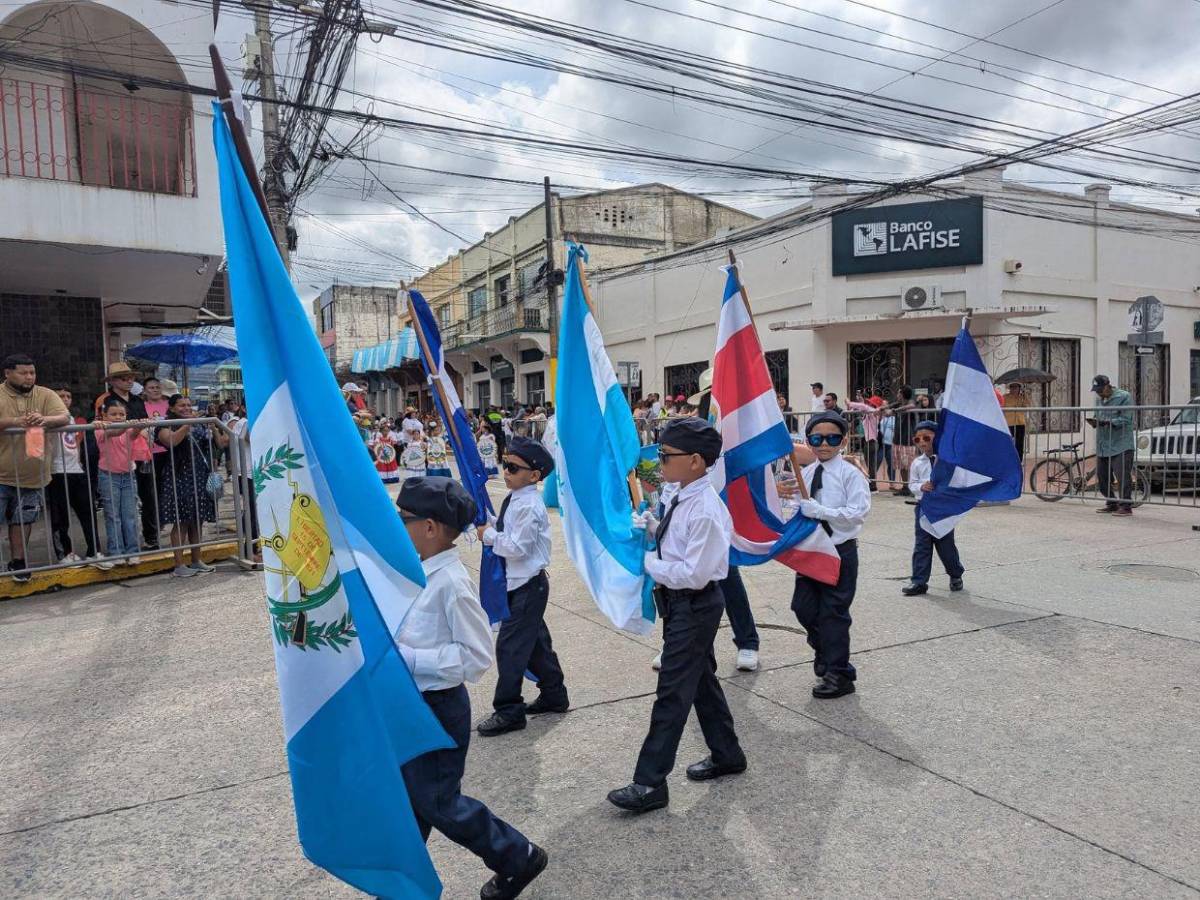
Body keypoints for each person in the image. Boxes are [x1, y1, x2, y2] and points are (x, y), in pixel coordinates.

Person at [395, 477, 549, 899]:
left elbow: (476, 658)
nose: (396, 526)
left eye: (402, 519)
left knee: (439, 802)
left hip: (439, 710)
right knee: (410, 803)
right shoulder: (414, 573)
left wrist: (409, 660)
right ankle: (400, 886)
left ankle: (518, 856)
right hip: (411, 707)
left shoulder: (451, 584)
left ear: (429, 527)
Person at [609, 418, 746, 814]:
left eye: (667, 456)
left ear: (697, 462)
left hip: (695, 601)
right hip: (681, 603)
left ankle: (650, 782)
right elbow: (677, 541)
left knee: (673, 691)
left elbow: (694, 571)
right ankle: (727, 754)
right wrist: (653, 527)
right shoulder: (681, 494)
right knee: (700, 681)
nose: (660, 461)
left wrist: (650, 563)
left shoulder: (704, 508)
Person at [476, 437, 569, 737]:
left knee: (510, 648)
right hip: (519, 585)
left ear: (534, 476)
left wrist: (488, 536)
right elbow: (507, 528)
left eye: (513, 468)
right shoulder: (516, 498)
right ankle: (555, 694)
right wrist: (487, 521)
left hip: (528, 585)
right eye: (505, 464)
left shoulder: (529, 504)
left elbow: (517, 547)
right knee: (536, 646)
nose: (506, 472)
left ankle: (509, 709)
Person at [788, 412, 871, 699]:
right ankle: (825, 648)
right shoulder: (807, 473)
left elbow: (857, 514)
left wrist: (822, 512)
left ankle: (839, 672)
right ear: (808, 441)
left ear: (843, 440)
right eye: (817, 438)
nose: (824, 443)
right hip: (811, 550)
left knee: (833, 612)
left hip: (839, 550)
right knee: (803, 607)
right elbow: (796, 507)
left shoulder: (850, 474)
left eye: (832, 438)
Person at [0, 354, 71, 581]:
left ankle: (18, 562)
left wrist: (44, 419)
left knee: (24, 520)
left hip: (33, 476)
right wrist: (14, 422)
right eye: (23, 372)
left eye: (32, 372)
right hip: (1, 475)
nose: (29, 377)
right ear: (8, 373)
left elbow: (64, 416)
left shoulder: (45, 394)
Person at [155, 394, 228, 578]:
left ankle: (197, 560)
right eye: (181, 406)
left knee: (197, 519)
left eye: (188, 405)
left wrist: (213, 427)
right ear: (171, 408)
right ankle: (179, 565)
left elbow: (219, 443)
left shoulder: (200, 423)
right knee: (182, 521)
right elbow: (170, 441)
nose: (186, 408)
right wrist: (188, 424)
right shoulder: (165, 424)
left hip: (199, 475)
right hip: (179, 476)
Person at [94, 361, 160, 549]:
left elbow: (143, 423)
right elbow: (102, 428)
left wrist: (145, 432)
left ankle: (150, 536)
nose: (129, 381)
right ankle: (119, 545)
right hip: (116, 457)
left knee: (147, 495)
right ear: (113, 381)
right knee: (116, 509)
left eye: (131, 377)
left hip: (141, 451)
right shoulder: (104, 400)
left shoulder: (138, 400)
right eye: (124, 378)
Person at [901, 421, 964, 596]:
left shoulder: (948, 460)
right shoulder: (917, 463)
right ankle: (919, 581)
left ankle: (955, 574)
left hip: (943, 509)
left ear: (937, 438)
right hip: (923, 508)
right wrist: (921, 486)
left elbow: (957, 480)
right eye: (918, 439)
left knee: (945, 546)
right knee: (922, 545)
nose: (922, 442)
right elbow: (912, 484)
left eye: (927, 438)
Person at [47, 388, 106, 568]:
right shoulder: (47, 419)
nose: (65, 399)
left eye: (68, 396)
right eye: (60, 396)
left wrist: (79, 463)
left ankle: (94, 551)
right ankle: (65, 553)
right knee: (60, 515)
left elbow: (75, 444)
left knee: (87, 511)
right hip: (57, 471)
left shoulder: (72, 418)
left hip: (76, 470)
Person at [94, 397, 145, 565]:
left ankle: (132, 551)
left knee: (129, 515)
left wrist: (140, 425)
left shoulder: (127, 428)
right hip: (108, 476)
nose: (117, 417)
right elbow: (115, 432)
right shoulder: (100, 429)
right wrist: (128, 425)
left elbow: (135, 433)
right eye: (113, 414)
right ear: (104, 415)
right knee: (112, 516)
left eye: (121, 414)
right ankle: (116, 551)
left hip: (128, 475)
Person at [1088, 374, 1135, 517]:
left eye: (1101, 390)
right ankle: (1111, 502)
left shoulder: (1124, 397)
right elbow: (1097, 416)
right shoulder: (1098, 400)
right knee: (1102, 477)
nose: (1099, 393)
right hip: (1103, 444)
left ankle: (1126, 506)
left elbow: (1127, 419)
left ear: (1108, 386)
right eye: (1096, 390)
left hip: (1121, 444)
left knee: (1122, 477)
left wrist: (1109, 422)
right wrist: (1094, 421)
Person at [845, 395, 884, 491]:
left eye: (870, 402)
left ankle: (873, 486)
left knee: (871, 466)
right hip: (868, 442)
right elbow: (863, 408)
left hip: (871, 442)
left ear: (873, 405)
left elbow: (864, 407)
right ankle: (871, 484)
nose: (868, 403)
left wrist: (850, 403)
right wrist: (860, 402)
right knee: (869, 465)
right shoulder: (870, 413)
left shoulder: (873, 413)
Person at [890, 386, 918, 497]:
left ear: (902, 394)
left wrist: (894, 410)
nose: (897, 395)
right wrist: (886, 408)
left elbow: (912, 406)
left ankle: (911, 487)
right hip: (898, 439)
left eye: (898, 393)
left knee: (909, 465)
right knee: (901, 465)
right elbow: (890, 406)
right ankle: (905, 487)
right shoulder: (898, 404)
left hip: (907, 439)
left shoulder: (910, 403)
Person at [1002, 382, 1028, 463]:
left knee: (1019, 443)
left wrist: (1025, 395)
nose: (1014, 389)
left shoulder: (1022, 397)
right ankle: (1007, 459)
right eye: (1012, 387)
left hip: (1020, 422)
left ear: (1019, 388)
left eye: (1016, 387)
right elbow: (1002, 407)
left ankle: (1019, 461)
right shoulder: (1005, 397)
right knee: (1008, 442)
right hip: (1009, 423)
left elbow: (1027, 405)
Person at [879, 406, 897, 489]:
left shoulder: (894, 418)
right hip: (881, 444)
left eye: (886, 409)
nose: (885, 411)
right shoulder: (881, 418)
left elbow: (896, 429)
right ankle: (870, 482)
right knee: (876, 462)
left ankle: (892, 483)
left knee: (891, 464)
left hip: (890, 444)